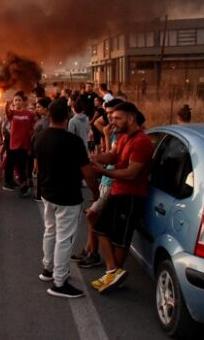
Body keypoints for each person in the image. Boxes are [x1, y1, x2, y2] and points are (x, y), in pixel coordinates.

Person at [34, 99, 99, 299]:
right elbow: (88, 172)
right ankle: (59, 282)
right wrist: (96, 193)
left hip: (47, 193)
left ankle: (48, 269)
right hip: (68, 197)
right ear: (67, 117)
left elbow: (36, 166)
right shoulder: (73, 142)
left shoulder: (39, 137)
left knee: (50, 231)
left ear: (49, 115)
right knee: (65, 239)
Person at [90, 102, 154, 293]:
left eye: (117, 118)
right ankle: (113, 271)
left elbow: (132, 173)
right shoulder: (123, 136)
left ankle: (113, 276)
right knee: (100, 227)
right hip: (117, 192)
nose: (112, 121)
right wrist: (94, 158)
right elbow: (113, 156)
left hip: (131, 196)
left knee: (120, 240)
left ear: (130, 118)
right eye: (112, 117)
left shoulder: (141, 141)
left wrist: (103, 172)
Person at [72, 98, 123, 269]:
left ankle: (96, 255)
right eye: (108, 114)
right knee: (93, 216)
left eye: (114, 115)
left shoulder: (123, 135)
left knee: (92, 215)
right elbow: (109, 154)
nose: (110, 119)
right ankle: (88, 250)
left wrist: (102, 165)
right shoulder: (114, 130)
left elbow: (114, 159)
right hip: (105, 178)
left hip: (111, 180)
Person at [4, 92, 36, 196]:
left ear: (23, 102)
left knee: (22, 166)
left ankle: (25, 185)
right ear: (13, 102)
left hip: (25, 143)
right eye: (15, 100)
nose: (17, 102)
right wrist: (7, 104)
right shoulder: (12, 113)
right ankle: (23, 185)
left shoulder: (29, 114)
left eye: (19, 100)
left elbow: (33, 127)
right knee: (16, 165)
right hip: (14, 144)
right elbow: (7, 112)